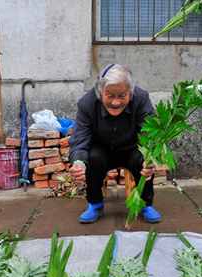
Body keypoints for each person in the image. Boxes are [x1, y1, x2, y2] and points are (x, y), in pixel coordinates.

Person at [68, 64, 162, 224]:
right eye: (110, 95)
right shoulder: (87, 104)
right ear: (100, 92)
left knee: (142, 160)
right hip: (102, 149)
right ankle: (95, 204)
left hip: (131, 148)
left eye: (122, 95)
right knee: (93, 158)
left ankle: (146, 204)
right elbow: (80, 137)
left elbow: (151, 132)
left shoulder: (141, 98)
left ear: (130, 93)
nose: (116, 102)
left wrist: (151, 156)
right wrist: (78, 162)